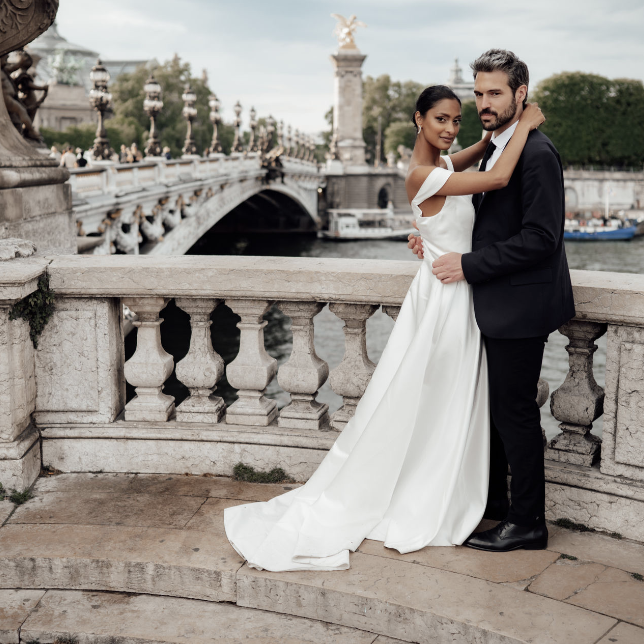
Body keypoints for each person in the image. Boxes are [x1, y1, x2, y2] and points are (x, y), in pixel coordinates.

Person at [224, 80, 547, 572]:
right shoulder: (423, 174)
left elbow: (479, 154)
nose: (451, 128)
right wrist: (525, 122)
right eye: (441, 118)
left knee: (444, 398)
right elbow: (499, 177)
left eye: (457, 120)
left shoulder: (440, 165)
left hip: (452, 291)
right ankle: (443, 491)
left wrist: (490, 136)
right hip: (448, 299)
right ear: (418, 119)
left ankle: (472, 492)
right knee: (442, 397)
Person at [407, 49, 575, 553]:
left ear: (520, 95)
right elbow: (470, 210)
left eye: (494, 93)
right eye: (478, 93)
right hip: (494, 303)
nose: (483, 102)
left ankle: (527, 523)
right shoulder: (498, 149)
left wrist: (466, 264)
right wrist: (432, 239)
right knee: (498, 413)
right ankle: (498, 509)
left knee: (515, 414)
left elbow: (542, 238)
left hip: (519, 306)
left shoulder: (537, 153)